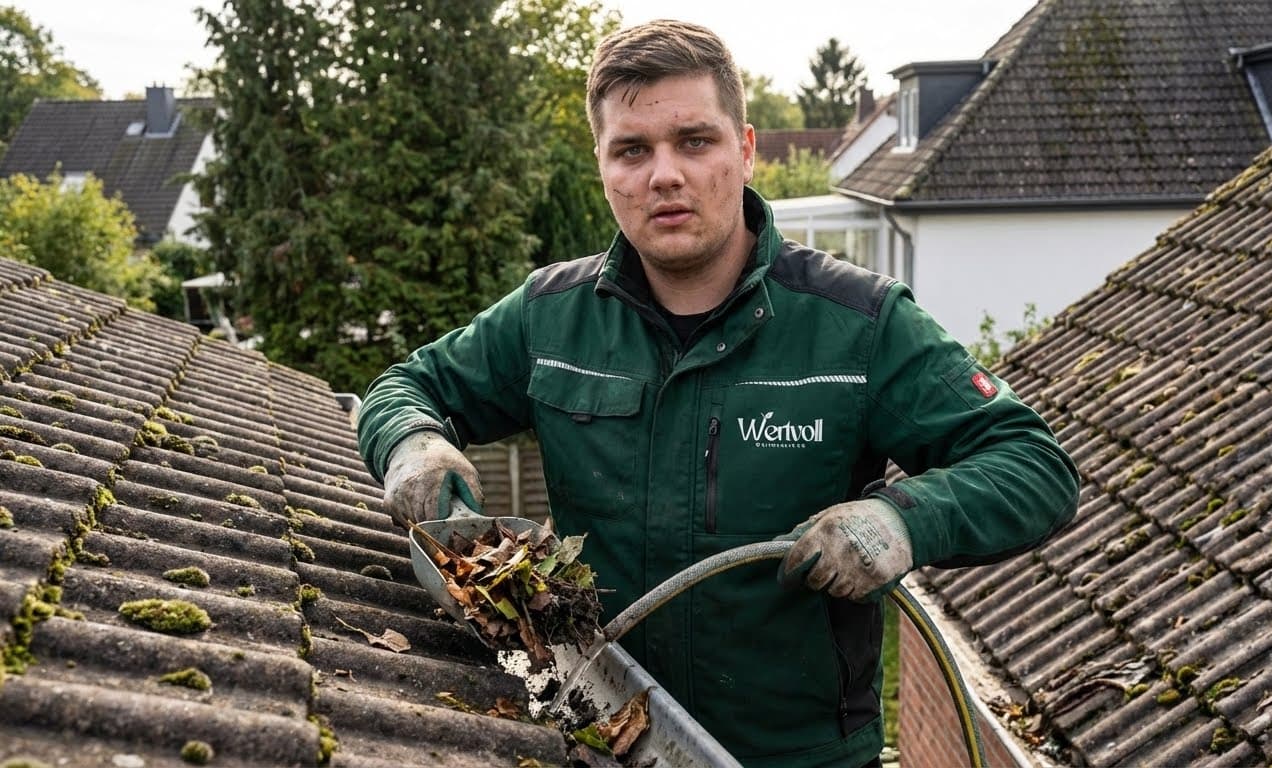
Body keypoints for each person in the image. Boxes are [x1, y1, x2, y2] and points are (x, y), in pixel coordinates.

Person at [357, 19, 1079, 768]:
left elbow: (1032, 465)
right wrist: (411, 443)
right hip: (601, 739)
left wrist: (901, 521)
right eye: (631, 150)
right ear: (602, 166)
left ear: (745, 148)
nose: (662, 175)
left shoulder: (857, 326)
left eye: (694, 141)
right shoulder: (551, 318)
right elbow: (405, 386)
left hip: (800, 757)